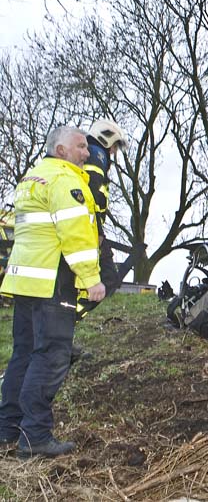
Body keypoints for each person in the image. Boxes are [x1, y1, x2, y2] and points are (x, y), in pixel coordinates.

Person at [0, 126, 106, 457]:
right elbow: (75, 234)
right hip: (53, 280)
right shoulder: (65, 180)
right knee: (52, 357)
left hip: (25, 282)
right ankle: (35, 438)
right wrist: (91, 279)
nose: (87, 153)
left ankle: (7, 431)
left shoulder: (32, 178)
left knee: (24, 354)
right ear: (60, 150)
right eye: (80, 147)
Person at [75, 118, 128, 320]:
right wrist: (98, 232)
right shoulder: (96, 156)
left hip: (87, 228)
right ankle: (67, 320)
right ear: (106, 139)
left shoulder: (90, 154)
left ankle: (64, 325)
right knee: (108, 278)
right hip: (89, 230)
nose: (114, 152)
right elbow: (91, 197)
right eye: (114, 146)